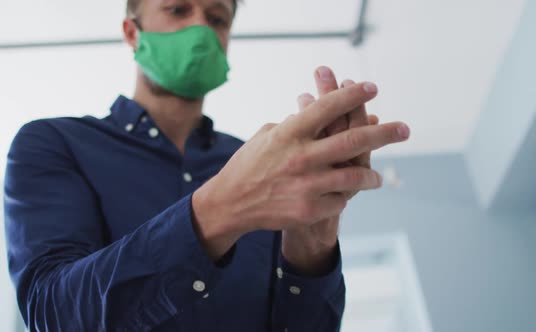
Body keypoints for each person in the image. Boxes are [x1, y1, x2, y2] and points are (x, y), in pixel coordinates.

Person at [3, 0, 410, 331]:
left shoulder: (266, 164)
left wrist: (311, 240)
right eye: (178, 9)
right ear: (133, 32)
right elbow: (52, 313)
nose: (201, 29)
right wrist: (222, 207)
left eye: (217, 18)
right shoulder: (55, 144)